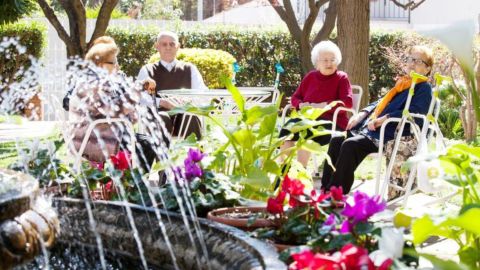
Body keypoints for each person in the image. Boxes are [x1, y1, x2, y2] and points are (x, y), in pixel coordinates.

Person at [321, 45, 434, 194]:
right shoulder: (403, 84)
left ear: (427, 69)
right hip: (371, 129)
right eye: (410, 59)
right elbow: (380, 102)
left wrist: (384, 118)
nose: (412, 63)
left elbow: (415, 114)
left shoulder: (423, 88)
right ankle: (326, 189)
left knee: (350, 145)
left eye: (418, 61)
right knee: (337, 139)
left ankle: (337, 193)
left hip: (389, 134)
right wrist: (362, 113)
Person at [68, 37, 162, 173]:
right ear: (100, 64)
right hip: (94, 140)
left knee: (148, 141)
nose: (117, 66)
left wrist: (132, 111)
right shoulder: (93, 84)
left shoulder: (96, 80)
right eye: (113, 62)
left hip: (101, 134)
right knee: (147, 144)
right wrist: (140, 88)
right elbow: (112, 112)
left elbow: (122, 113)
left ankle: (127, 184)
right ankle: (129, 184)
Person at [279, 40, 353, 168]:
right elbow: (295, 97)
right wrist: (301, 105)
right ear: (317, 62)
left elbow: (347, 103)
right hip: (307, 119)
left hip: (332, 123)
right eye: (325, 60)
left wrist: (323, 106)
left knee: (307, 133)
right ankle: (284, 171)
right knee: (286, 131)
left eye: (332, 59)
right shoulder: (310, 77)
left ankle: (301, 172)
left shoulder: (341, 78)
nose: (329, 63)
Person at [137, 30, 207, 139]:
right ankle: (160, 156)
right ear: (157, 46)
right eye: (164, 44)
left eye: (172, 44)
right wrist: (162, 102)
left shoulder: (190, 69)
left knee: (190, 117)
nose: (168, 47)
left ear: (178, 46)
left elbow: (201, 93)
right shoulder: (147, 70)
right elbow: (140, 97)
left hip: (183, 111)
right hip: (159, 113)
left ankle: (196, 154)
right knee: (162, 117)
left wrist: (188, 101)